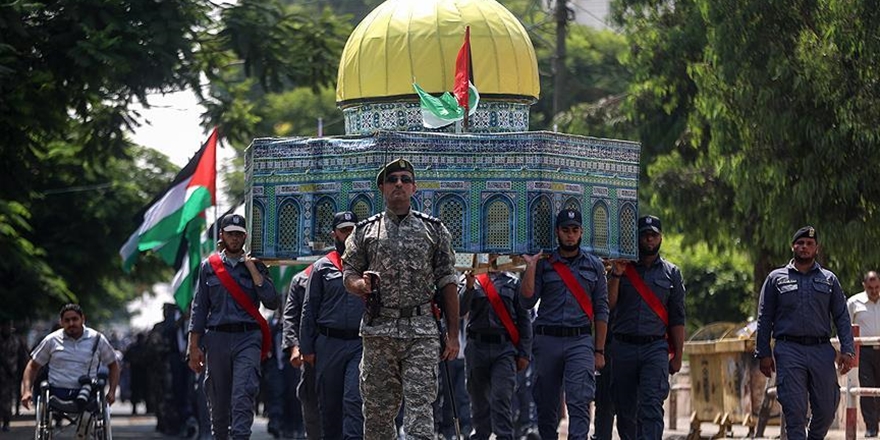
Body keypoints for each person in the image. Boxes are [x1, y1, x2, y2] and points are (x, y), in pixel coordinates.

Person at [343, 158, 460, 440]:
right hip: (379, 330)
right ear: (382, 187)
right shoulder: (364, 231)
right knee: (378, 415)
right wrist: (361, 284)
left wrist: (453, 334)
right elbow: (348, 273)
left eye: (405, 179)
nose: (399, 184)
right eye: (392, 179)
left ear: (414, 188)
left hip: (421, 331)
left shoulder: (434, 230)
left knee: (420, 413)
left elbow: (447, 281)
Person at [756, 225, 855, 440]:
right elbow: (764, 318)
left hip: (821, 350)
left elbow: (841, 316)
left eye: (809, 244)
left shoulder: (829, 279)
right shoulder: (776, 278)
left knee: (828, 407)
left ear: (816, 248)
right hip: (789, 350)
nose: (804, 247)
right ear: (793, 246)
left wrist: (847, 349)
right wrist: (763, 353)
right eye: (800, 243)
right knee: (794, 410)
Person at [187, 213, 278, 440]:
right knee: (218, 399)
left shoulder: (256, 265)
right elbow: (199, 308)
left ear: (245, 237)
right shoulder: (209, 266)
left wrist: (253, 269)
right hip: (217, 339)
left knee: (243, 394)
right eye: (230, 234)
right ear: (222, 236)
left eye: (239, 235)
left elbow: (271, 301)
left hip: (248, 338)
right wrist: (193, 346)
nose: (235, 239)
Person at [520, 209, 609, 440]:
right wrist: (530, 266)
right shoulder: (544, 263)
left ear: (581, 233)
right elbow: (527, 301)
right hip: (547, 340)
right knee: (546, 403)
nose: (570, 235)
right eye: (565, 230)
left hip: (579, 341)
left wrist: (599, 350)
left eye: (575, 230)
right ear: (557, 232)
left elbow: (601, 310)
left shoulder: (594, 266)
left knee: (579, 399)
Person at [606, 215, 685, 440]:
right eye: (645, 235)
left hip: (655, 348)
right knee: (625, 411)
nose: (649, 239)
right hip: (623, 347)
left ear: (661, 238)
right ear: (637, 238)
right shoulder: (621, 267)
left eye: (654, 235)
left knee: (651, 406)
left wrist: (678, 355)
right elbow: (608, 306)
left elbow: (677, 319)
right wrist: (616, 275)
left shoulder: (672, 273)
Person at [301, 211, 365, 439]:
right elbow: (309, 309)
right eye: (344, 230)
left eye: (352, 229)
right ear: (334, 234)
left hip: (359, 344)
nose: (348, 234)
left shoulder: (369, 265)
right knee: (329, 406)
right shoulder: (322, 267)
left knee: (353, 400)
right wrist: (306, 348)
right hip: (328, 344)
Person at [460, 257, 533, 440]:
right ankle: (481, 434)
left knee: (501, 396)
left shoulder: (513, 282)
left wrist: (524, 352)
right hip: (477, 347)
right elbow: (460, 310)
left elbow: (524, 321)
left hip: (504, 348)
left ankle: (504, 436)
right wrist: (468, 287)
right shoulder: (471, 278)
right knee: (478, 400)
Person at [19, 304, 120, 412]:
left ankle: (83, 419)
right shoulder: (52, 340)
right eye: (67, 320)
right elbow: (32, 366)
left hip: (88, 392)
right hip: (57, 394)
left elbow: (113, 365)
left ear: (83, 319)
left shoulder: (97, 339)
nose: (71, 323)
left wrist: (112, 391)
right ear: (61, 322)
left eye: (75, 319)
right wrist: (26, 391)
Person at [282, 267, 321, 439]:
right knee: (309, 398)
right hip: (310, 352)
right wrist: (294, 347)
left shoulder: (346, 276)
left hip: (337, 347)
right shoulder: (300, 280)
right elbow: (291, 317)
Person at [848, 271, 880, 437]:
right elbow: (845, 326)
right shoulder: (854, 302)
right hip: (864, 351)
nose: (874, 291)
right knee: (867, 390)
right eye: (870, 287)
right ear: (864, 286)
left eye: (877, 287)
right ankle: (871, 427)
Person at [0, 319, 29, 431]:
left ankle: (7, 421)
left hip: (11, 374)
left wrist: (24, 371)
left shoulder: (16, 341)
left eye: (8, 326)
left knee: (7, 398)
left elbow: (23, 356)